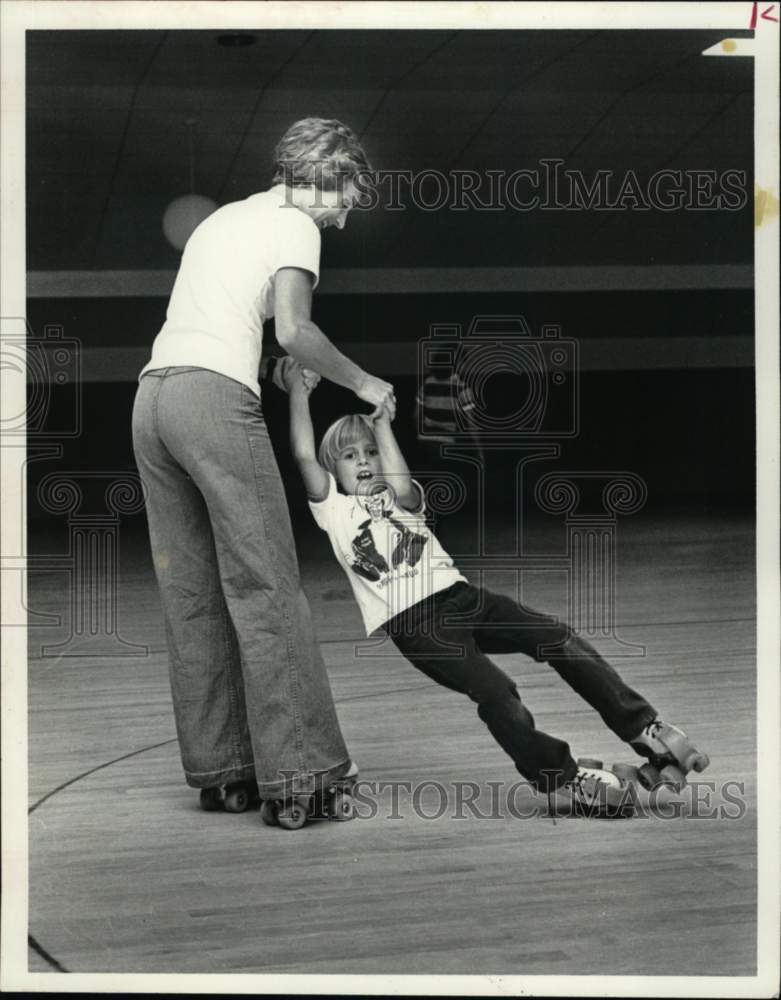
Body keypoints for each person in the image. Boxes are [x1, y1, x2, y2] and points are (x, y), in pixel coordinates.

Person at [285, 361, 710, 818]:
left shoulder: (402, 498)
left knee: (555, 637)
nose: (364, 462)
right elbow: (305, 456)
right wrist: (297, 392)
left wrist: (383, 425)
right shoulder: (334, 511)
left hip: (461, 597)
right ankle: (560, 779)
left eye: (369, 452)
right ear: (335, 470)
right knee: (496, 691)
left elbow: (402, 480)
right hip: (419, 627)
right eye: (350, 456)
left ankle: (644, 728)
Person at [132, 118, 395, 824]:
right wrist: (365, 384)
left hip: (153, 399)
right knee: (266, 584)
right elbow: (294, 329)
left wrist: (268, 369)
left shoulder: (226, 217)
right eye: (346, 198)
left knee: (191, 591)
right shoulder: (296, 223)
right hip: (212, 403)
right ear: (328, 175)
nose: (341, 219)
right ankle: (302, 772)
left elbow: (222, 321)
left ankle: (222, 773)